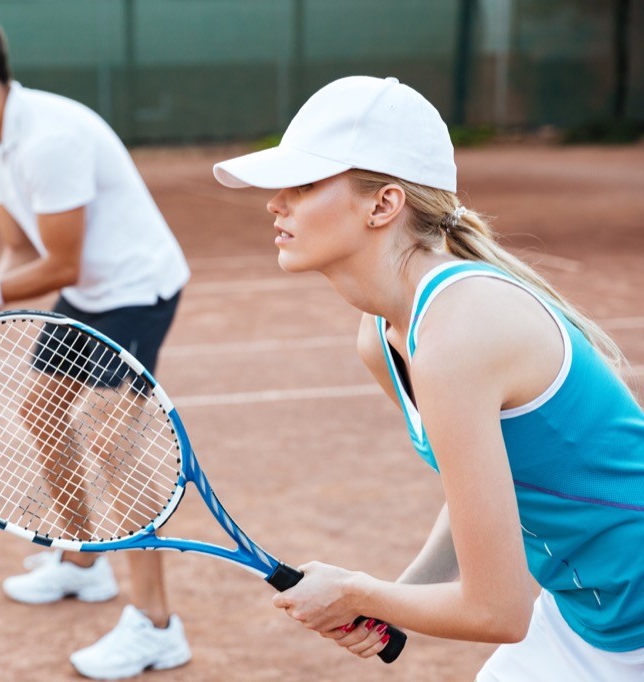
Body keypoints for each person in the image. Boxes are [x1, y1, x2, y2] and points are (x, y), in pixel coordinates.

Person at [212, 75, 644, 679]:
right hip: (592, 616)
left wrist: (361, 595)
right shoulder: (381, 335)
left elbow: (497, 612)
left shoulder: (455, 335)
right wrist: (399, 597)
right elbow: (483, 487)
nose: (275, 202)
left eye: (304, 184)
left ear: (383, 205)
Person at [0, 11, 193, 680]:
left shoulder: (49, 139)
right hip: (91, 290)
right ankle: (84, 560)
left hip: (138, 289)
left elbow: (59, 264)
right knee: (41, 408)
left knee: (110, 438)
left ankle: (157, 628)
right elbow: (20, 248)